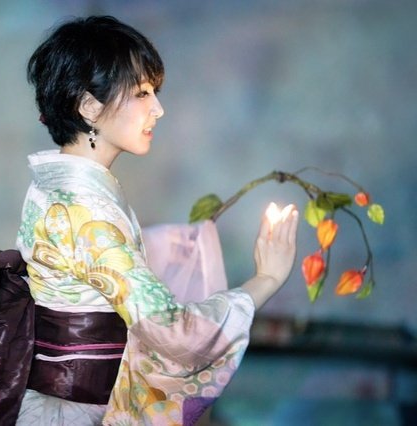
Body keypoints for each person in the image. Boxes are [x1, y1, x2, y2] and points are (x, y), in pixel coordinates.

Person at [15, 15, 298, 425]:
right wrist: (265, 280)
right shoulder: (85, 209)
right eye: (142, 93)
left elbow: (89, 276)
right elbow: (173, 332)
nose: (158, 109)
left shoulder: (55, 188)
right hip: (77, 411)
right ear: (90, 106)